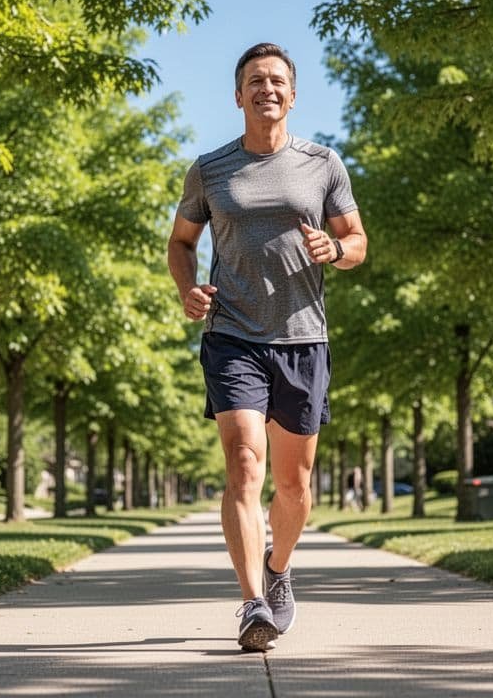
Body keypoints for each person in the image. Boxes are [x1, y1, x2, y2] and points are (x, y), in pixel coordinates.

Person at [167, 43, 367, 652]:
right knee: (244, 462)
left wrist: (337, 249)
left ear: (293, 94)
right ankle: (253, 602)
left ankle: (278, 568)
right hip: (232, 334)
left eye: (277, 80)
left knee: (295, 486)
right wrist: (187, 288)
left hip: (304, 339)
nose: (267, 88)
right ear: (238, 95)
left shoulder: (323, 164)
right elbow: (181, 242)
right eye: (255, 80)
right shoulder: (210, 169)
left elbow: (357, 240)